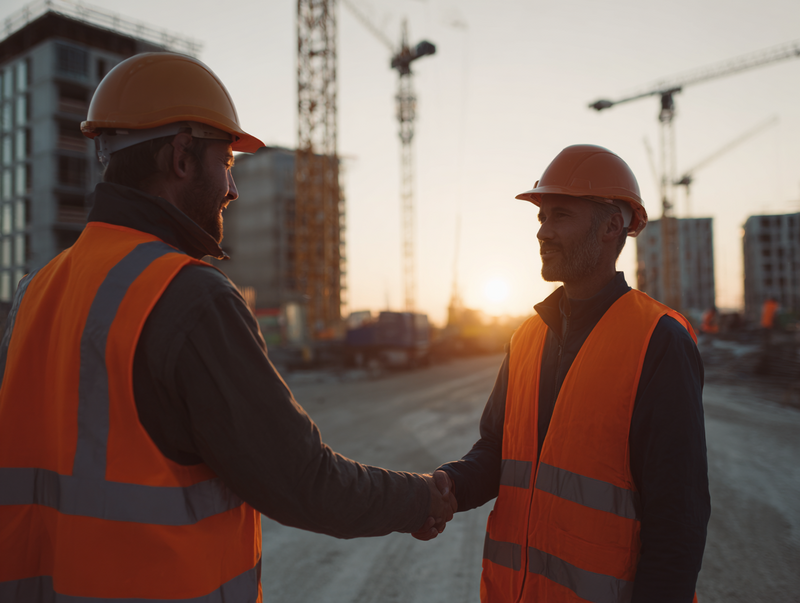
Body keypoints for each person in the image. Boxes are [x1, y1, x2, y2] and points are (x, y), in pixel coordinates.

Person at [0, 53, 454, 601]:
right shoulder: (187, 295)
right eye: (228, 162)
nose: (232, 188)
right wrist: (423, 497)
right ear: (183, 155)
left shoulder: (36, 289)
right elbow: (301, 481)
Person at [431, 144, 710, 602]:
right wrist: (448, 487)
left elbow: (678, 519)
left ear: (611, 227)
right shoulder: (527, 337)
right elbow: (497, 452)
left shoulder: (658, 342)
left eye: (559, 216)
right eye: (541, 218)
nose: (542, 232)